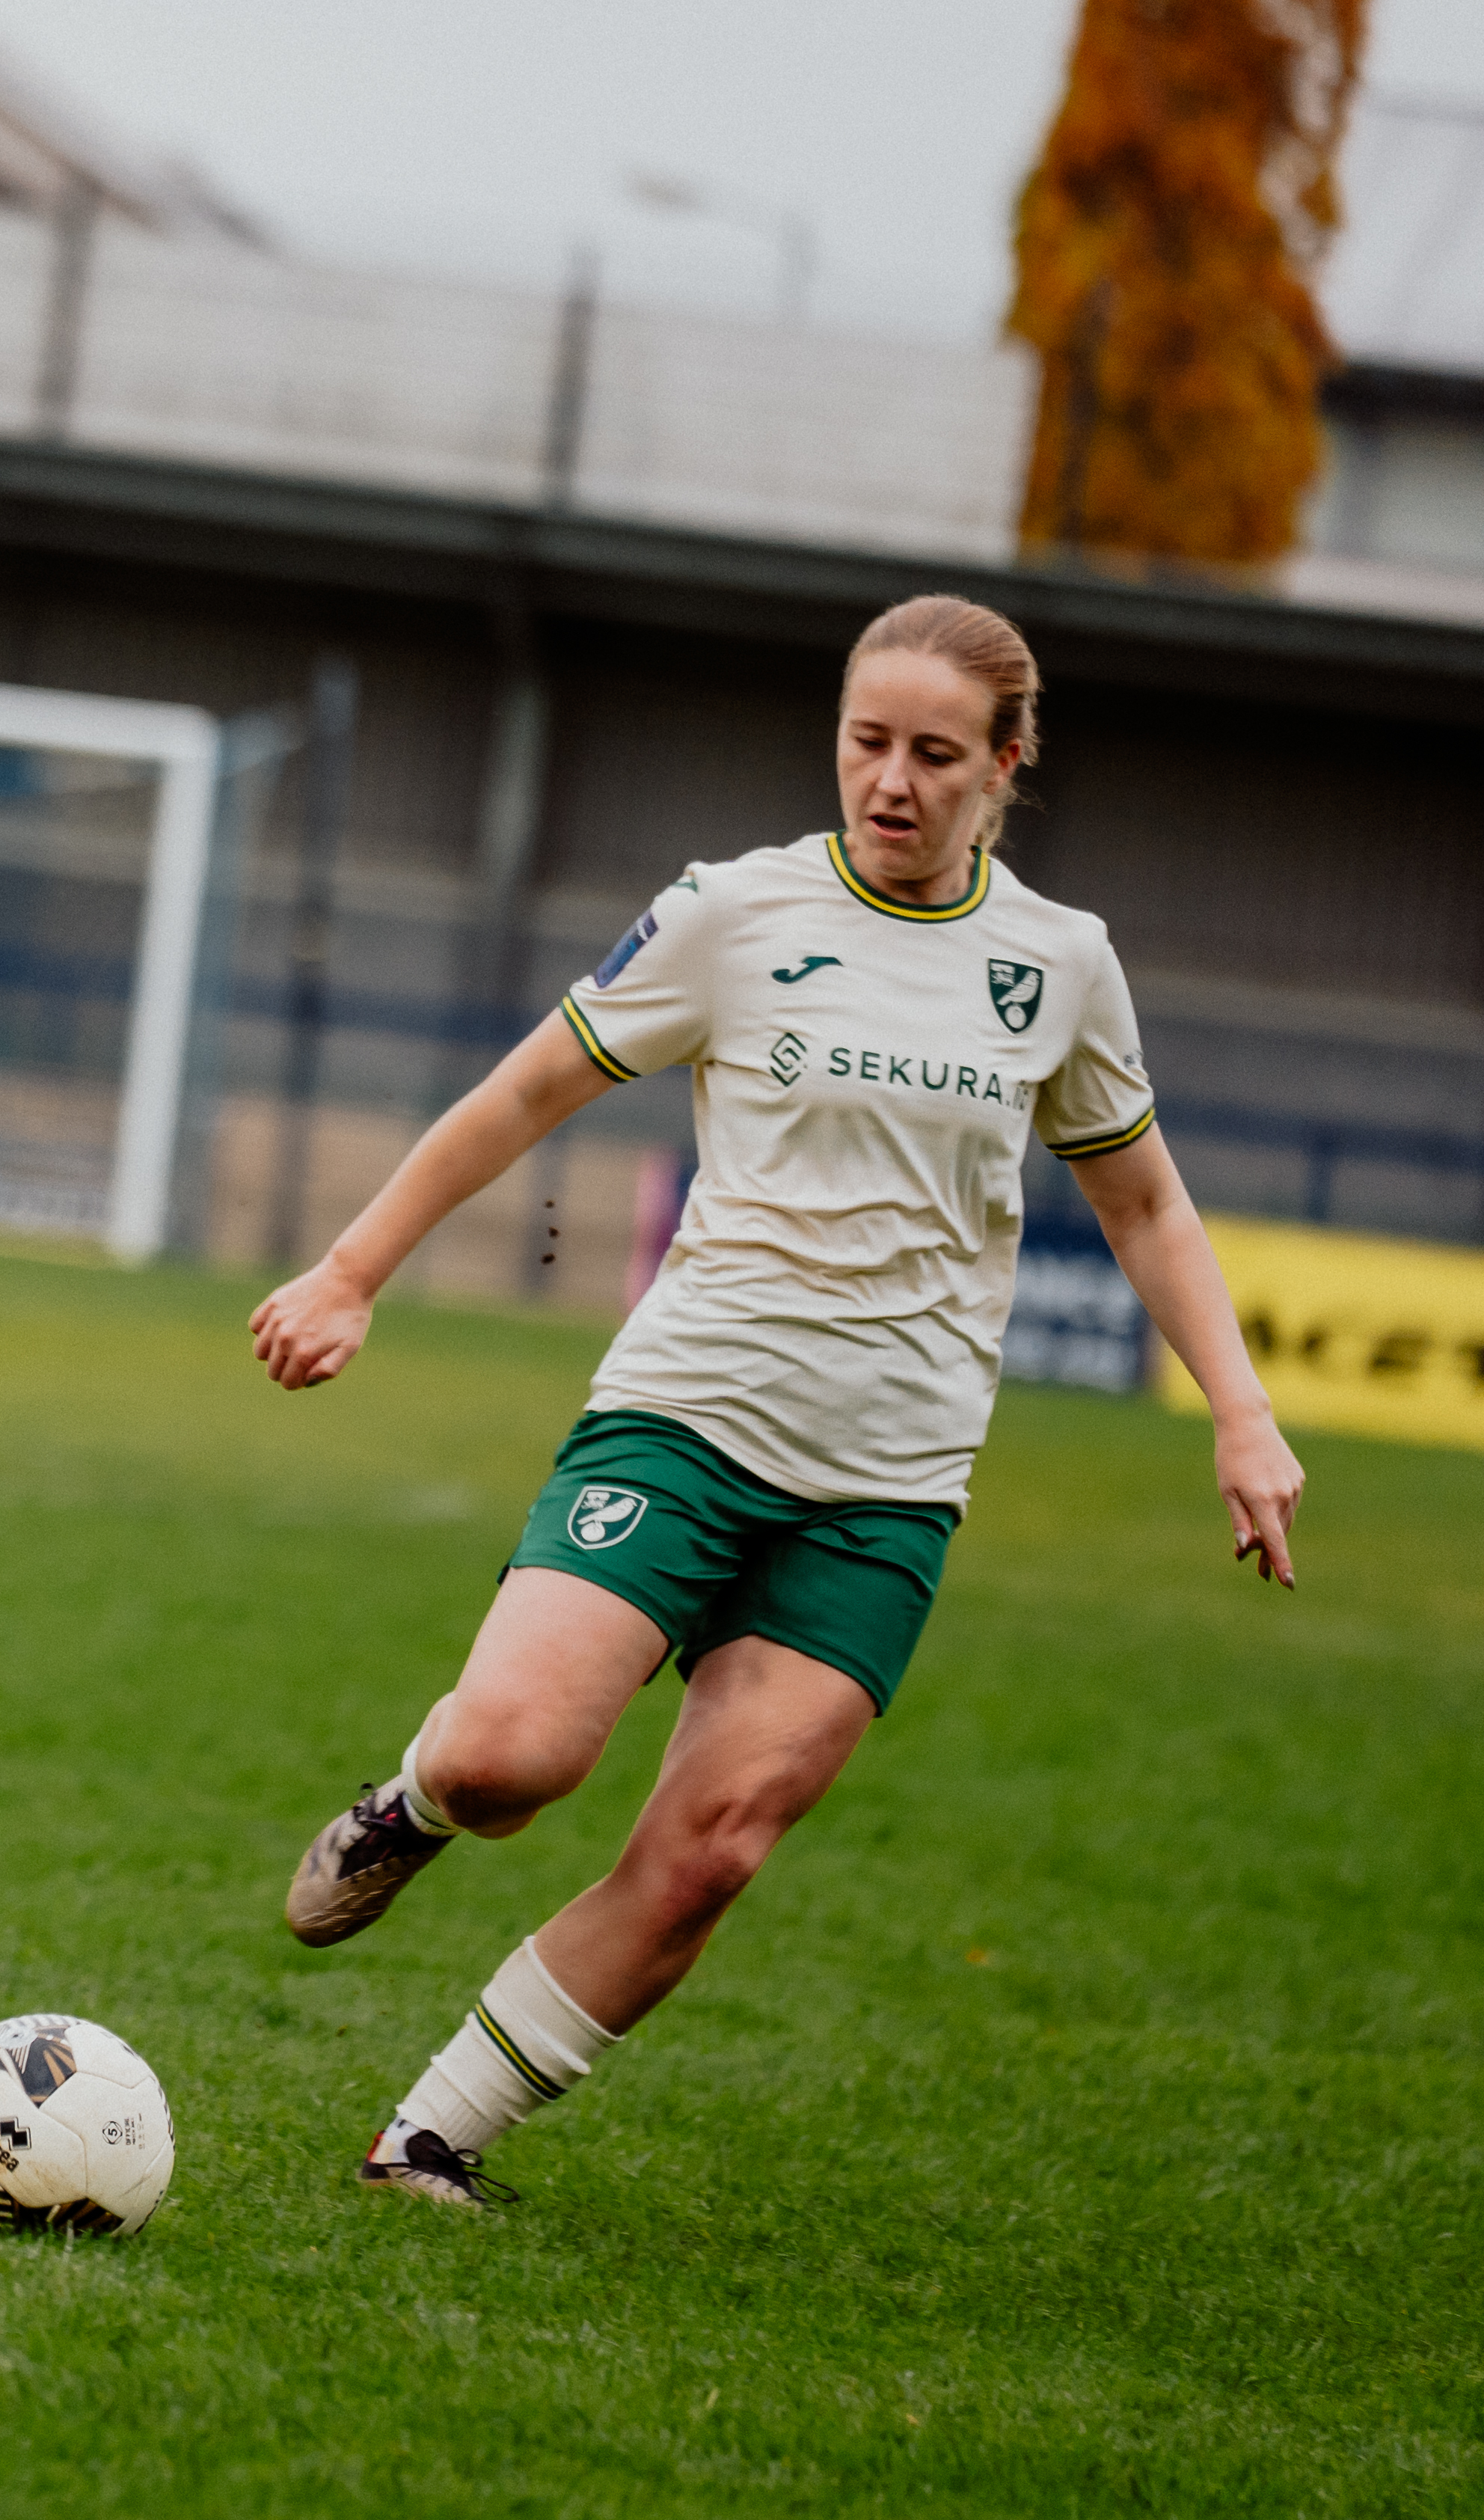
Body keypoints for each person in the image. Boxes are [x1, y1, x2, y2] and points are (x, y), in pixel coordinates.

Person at [251, 593, 1301, 2206]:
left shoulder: (1060, 965)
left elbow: (1146, 1202)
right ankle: (418, 1793)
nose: (891, 778)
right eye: (866, 739)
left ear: (1007, 764)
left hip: (888, 1487)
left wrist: (1240, 1408)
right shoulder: (730, 912)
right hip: (687, 1420)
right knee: (516, 1761)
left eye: (936, 753)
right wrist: (348, 1269)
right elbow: (534, 1082)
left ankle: (430, 2137)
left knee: (715, 1848)